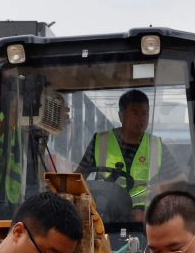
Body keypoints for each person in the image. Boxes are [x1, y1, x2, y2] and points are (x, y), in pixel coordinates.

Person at [78, 89, 185, 219]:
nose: (141, 118)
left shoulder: (157, 146)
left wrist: (162, 187)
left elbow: (181, 180)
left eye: (144, 113)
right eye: (135, 113)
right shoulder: (100, 141)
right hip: (106, 212)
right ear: (121, 116)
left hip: (145, 216)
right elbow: (78, 177)